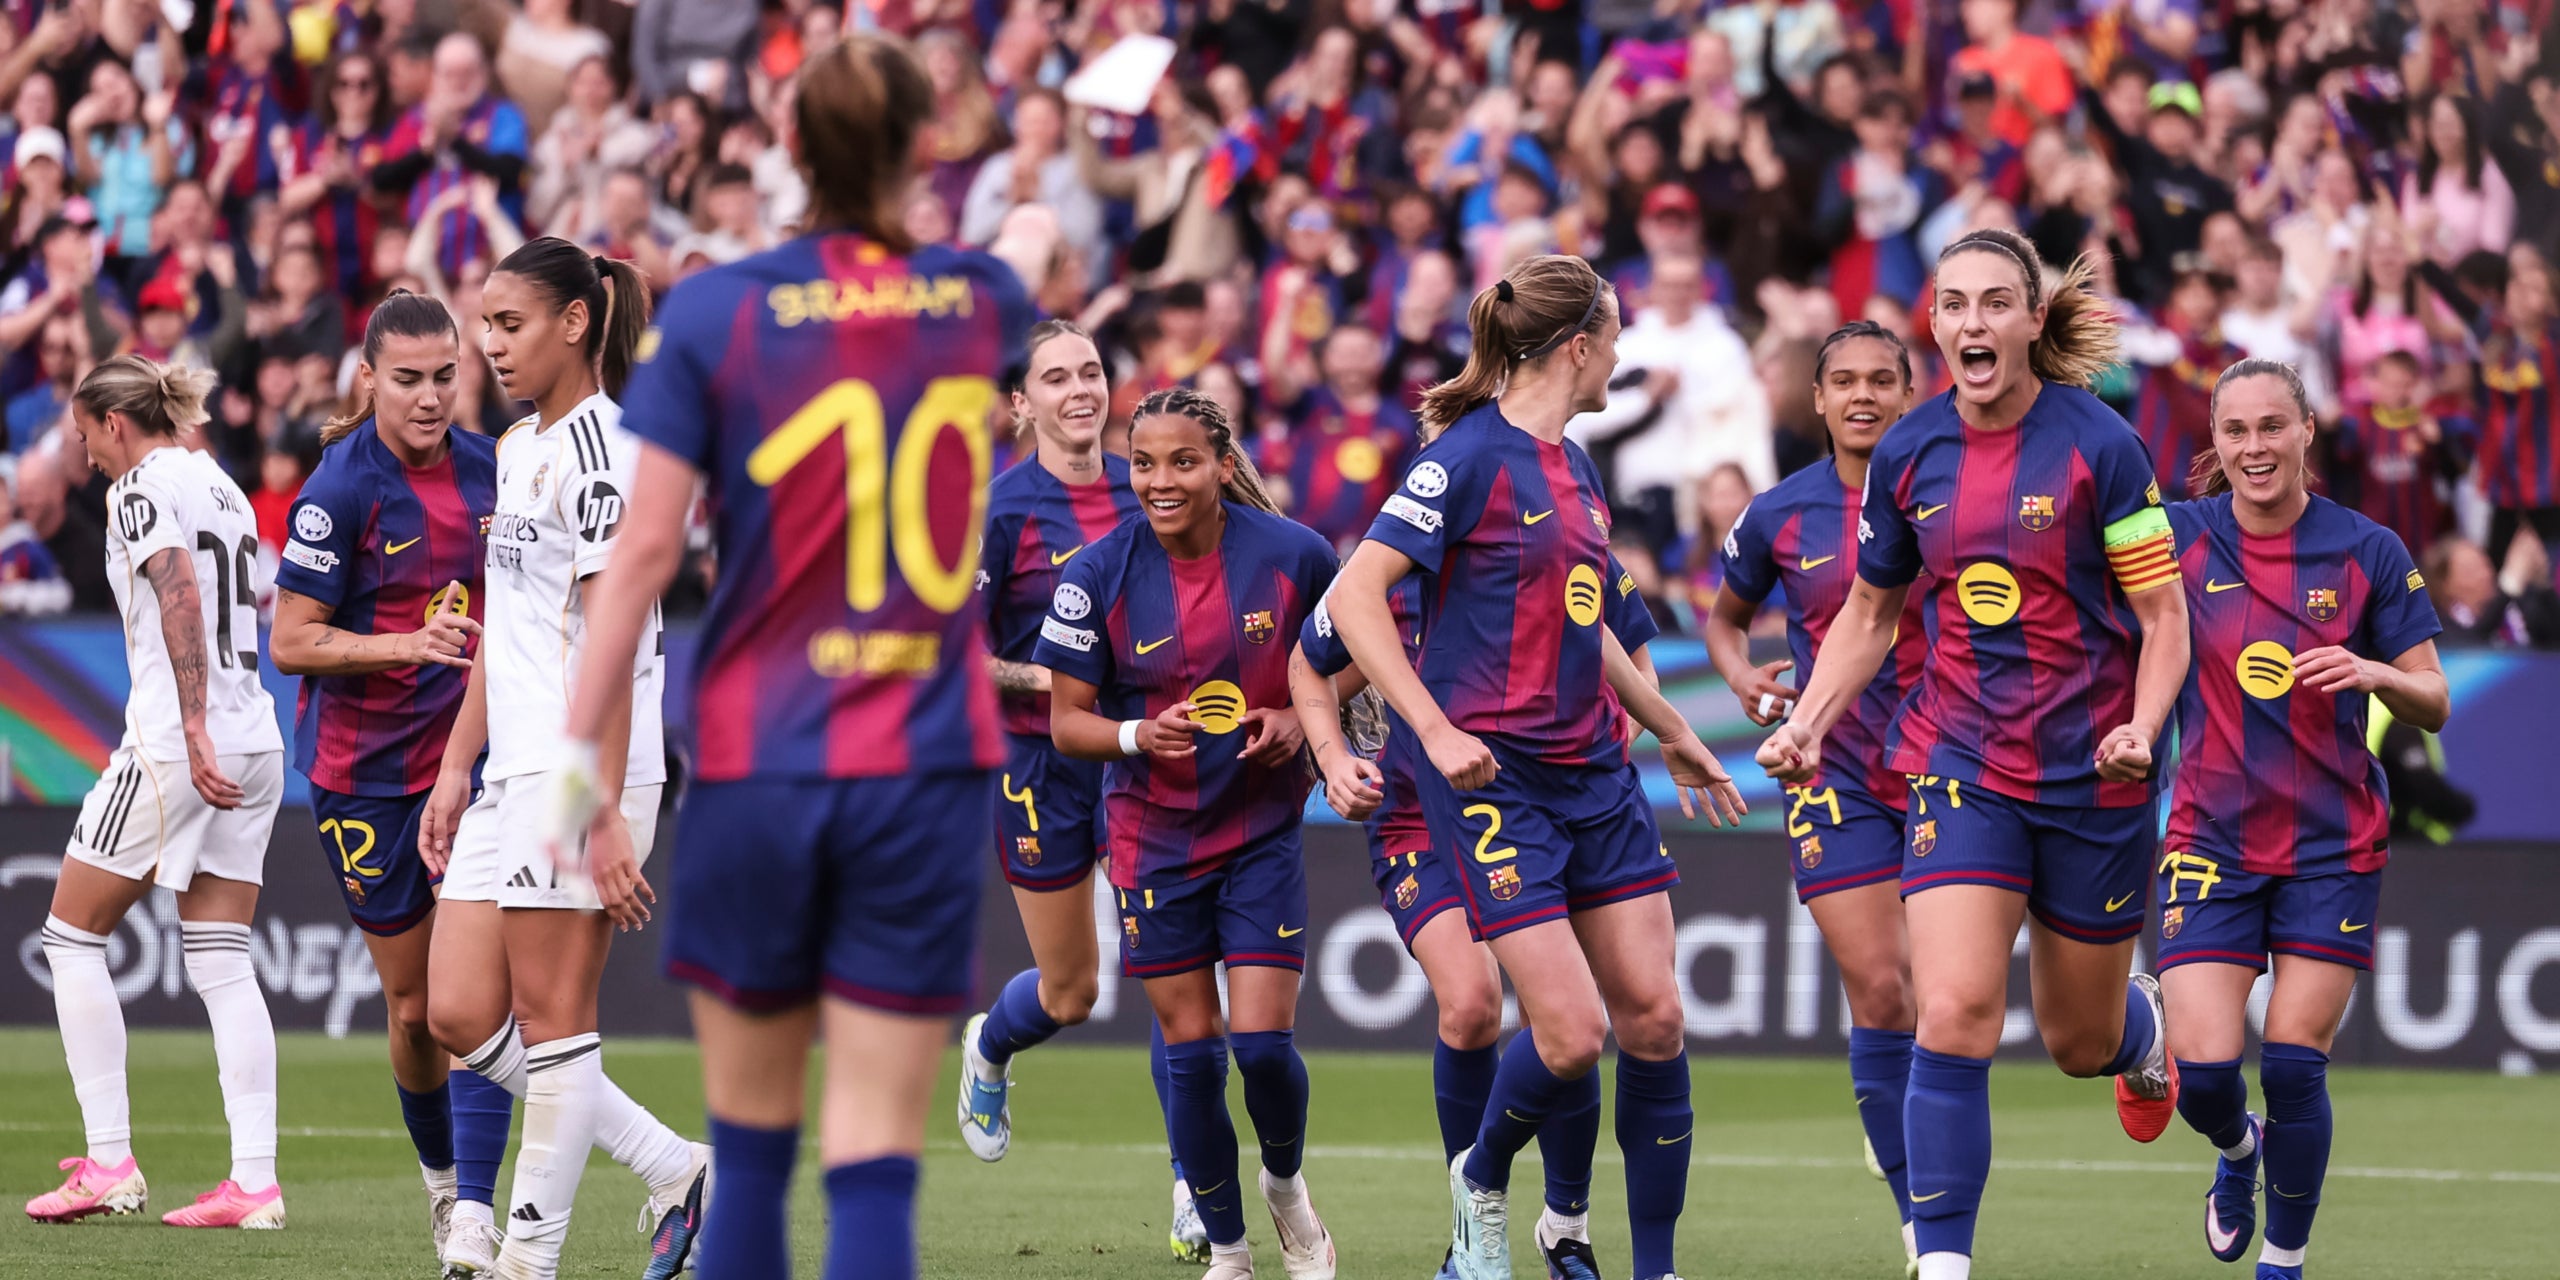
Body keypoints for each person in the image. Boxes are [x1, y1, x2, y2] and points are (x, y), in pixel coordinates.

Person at [548, 33, 1034, 1280]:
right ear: (922, 146)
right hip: (922, 764)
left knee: (749, 1149)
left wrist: (576, 782)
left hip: (764, 755)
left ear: (789, 147)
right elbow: (1025, 249)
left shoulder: (714, 309)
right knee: (874, 1154)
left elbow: (644, 554)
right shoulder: (979, 298)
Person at [1756, 228, 2191, 1280]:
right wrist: (1808, 718)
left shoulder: (2103, 446)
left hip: (2093, 773)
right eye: (1953, 304)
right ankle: (1942, 1262)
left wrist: (2140, 723)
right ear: (1935, 321)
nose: (1972, 323)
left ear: (2032, 320)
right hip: (1958, 759)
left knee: (2076, 1042)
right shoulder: (1908, 453)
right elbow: (1869, 610)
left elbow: (2164, 615)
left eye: (1996, 303)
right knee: (1949, 1006)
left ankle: (2140, 1029)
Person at [1325, 253, 1746, 1280]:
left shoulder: (1578, 466)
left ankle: (1651, 1266)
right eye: (1616, 338)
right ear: (1579, 346)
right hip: (1493, 775)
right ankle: (1480, 1175)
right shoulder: (1463, 458)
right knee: (1569, 1034)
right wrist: (1430, 728)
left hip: (1592, 772)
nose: (1621, 357)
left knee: (1654, 1016)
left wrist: (1672, 727)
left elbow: (1589, 619)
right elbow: (1352, 599)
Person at [416, 239, 707, 1280]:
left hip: (581, 772)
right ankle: (674, 1165)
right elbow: (512, 626)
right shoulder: (516, 444)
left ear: (574, 323)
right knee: (455, 1009)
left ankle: (527, 1262)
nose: (488, 343)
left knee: (552, 1025)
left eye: (510, 323)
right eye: (484, 323)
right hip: (513, 768)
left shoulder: (611, 452)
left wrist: (600, 806)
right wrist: (457, 763)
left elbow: (611, 638)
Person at [1291, 532, 1665, 1280]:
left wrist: (1636, 732)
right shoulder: (1392, 565)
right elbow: (1312, 667)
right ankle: (1475, 1223)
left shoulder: (1564, 531)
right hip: (1418, 821)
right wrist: (1331, 757)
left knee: (1562, 1016)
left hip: (1535, 813)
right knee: (1469, 1005)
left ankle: (1566, 1225)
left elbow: (1627, 648)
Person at [1032, 386, 1339, 1280]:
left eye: (1182, 462)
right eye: (1144, 463)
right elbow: (1067, 723)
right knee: (1195, 1057)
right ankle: (1233, 1255)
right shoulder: (1095, 573)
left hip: (1260, 831)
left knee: (1264, 1048)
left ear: (1223, 465)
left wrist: (1297, 715)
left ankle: (1285, 1187)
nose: (1160, 481)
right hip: (1150, 840)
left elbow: (1357, 649)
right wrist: (1137, 734)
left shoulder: (1294, 556)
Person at [2157, 358, 2447, 1280]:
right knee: (2203, 1073)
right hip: (2208, 836)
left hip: (2331, 846)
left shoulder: (2368, 550)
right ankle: (2236, 1152)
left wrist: (2380, 675)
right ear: (2215, 441)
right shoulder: (2176, 538)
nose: (2253, 448)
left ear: (2307, 430)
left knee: (2293, 1065)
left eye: (2271, 427)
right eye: (2235, 431)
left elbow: (2435, 699)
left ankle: (2284, 1263)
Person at [265, 292, 514, 1268]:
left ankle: (482, 1209)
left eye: (445, 375)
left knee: (475, 998)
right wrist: (410, 642)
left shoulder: (496, 468)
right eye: (407, 379)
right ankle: (443, 1180)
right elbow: (290, 640)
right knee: (414, 1008)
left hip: (475, 761)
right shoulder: (341, 489)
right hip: (363, 780)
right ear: (369, 377)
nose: (429, 397)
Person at [954, 319, 1210, 1263]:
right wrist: (1065, 680)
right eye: (1055, 377)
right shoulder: (1002, 511)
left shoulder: (1152, 485)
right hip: (1041, 768)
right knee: (1070, 993)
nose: (1080, 389)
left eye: (1092, 371)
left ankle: (1196, 1184)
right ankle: (991, 1044)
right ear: (1021, 403)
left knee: (1177, 985)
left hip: (1147, 759)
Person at [25, 355, 287, 1229]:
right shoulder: (225, 485)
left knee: (69, 936)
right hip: (258, 741)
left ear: (114, 421)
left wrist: (194, 722)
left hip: (184, 740)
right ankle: (254, 1184)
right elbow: (248, 602)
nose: (84, 450)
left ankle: (107, 1163)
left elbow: (177, 587)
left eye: (85, 432)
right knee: (220, 958)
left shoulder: (138, 489)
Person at [1705, 319, 1927, 1275]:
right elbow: (1725, 623)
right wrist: (1747, 681)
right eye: (1846, 381)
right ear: (1821, 399)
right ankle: (1926, 1224)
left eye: (1884, 379)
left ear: (1910, 395)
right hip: (1831, 770)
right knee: (1882, 991)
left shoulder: (1949, 494)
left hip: (1952, 761)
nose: (1866, 395)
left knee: (1946, 997)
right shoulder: (1777, 514)